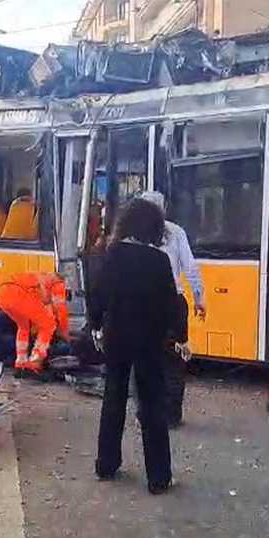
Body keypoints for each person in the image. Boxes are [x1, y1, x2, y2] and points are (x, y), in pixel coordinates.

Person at [90, 197, 177, 495]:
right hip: (150, 341)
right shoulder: (160, 261)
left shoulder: (111, 254)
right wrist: (172, 333)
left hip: (117, 337)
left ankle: (107, 463)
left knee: (113, 397)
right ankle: (159, 476)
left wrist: (96, 324)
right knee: (152, 404)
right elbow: (170, 304)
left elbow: (97, 294)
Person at [138, 191, 205, 428]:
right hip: (173, 302)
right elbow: (190, 267)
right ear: (163, 208)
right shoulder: (176, 232)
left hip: (144, 303)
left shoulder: (134, 235)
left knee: (145, 358)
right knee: (174, 359)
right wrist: (199, 298)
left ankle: (146, 412)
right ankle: (172, 414)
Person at [0, 271, 69, 378]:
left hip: (2, 294)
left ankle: (21, 363)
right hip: (17, 293)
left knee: (24, 327)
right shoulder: (58, 283)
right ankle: (35, 362)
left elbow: (37, 311)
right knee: (49, 324)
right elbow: (60, 310)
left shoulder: (41, 278)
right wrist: (64, 333)